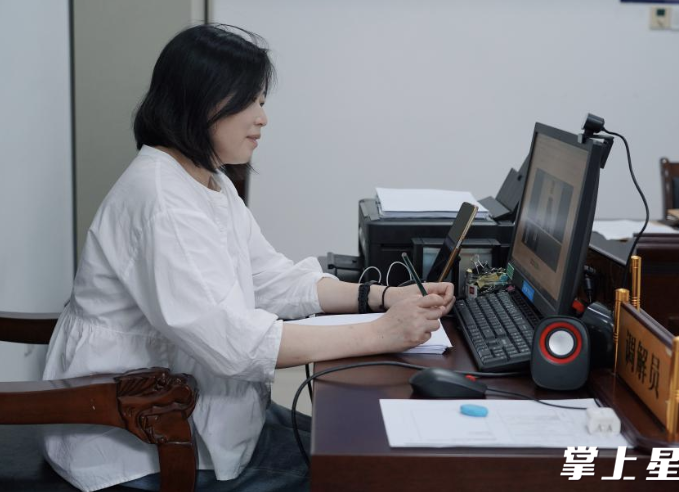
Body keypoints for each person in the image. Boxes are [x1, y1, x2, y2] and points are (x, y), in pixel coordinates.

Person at [42, 24, 454, 492]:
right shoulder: (161, 201)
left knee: (362, 448)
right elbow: (236, 346)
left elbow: (271, 279)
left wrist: (382, 296)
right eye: (249, 102)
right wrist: (382, 332)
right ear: (200, 102)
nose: (262, 118)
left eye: (261, 101)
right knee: (364, 472)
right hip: (139, 443)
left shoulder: (206, 179)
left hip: (196, 412)